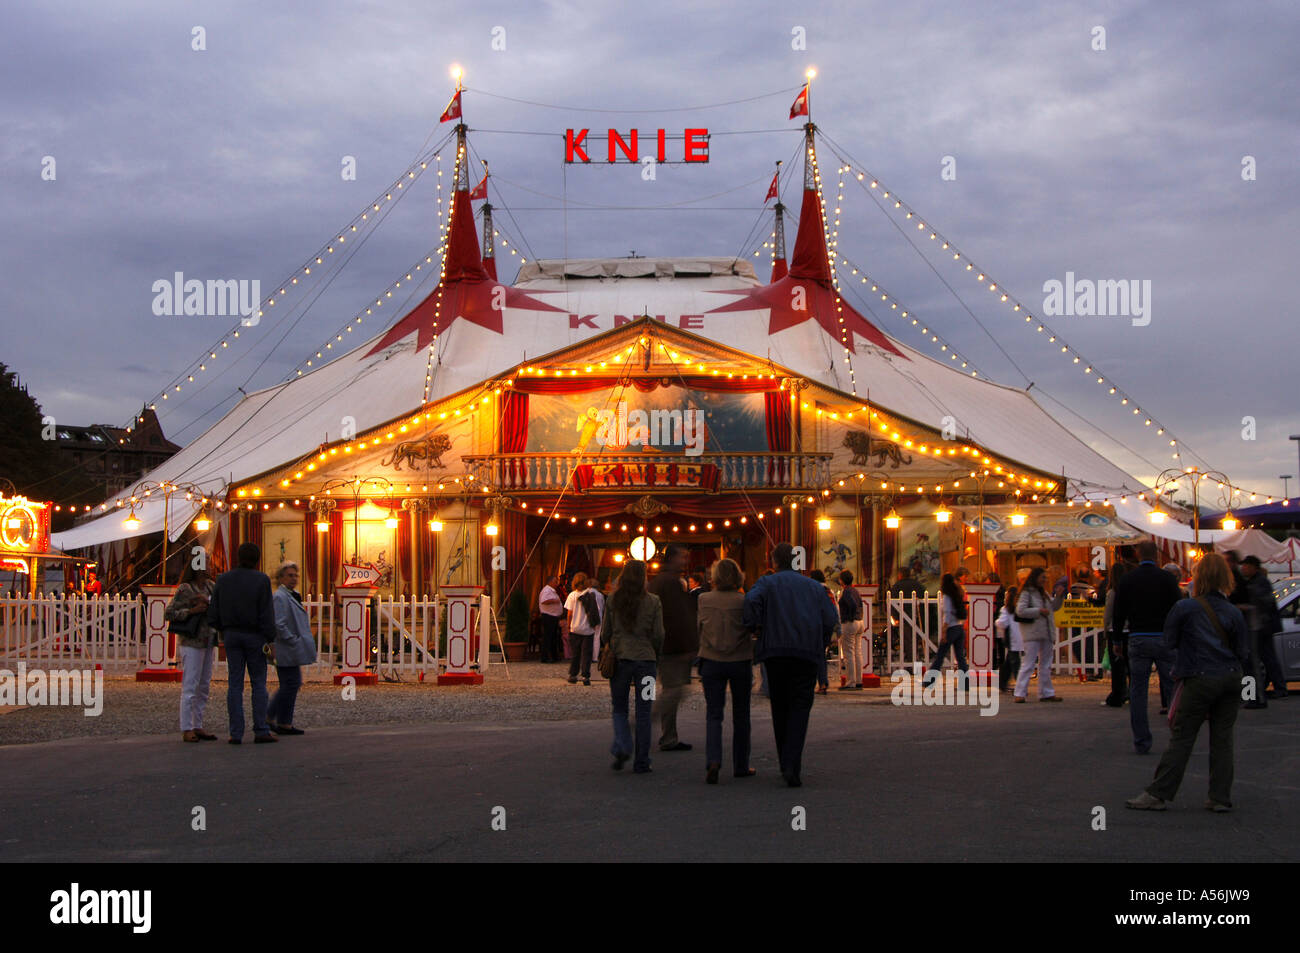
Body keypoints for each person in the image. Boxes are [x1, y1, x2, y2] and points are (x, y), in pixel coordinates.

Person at [1126, 553, 1249, 812]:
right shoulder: (1233, 611)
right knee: (1223, 739)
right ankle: (1219, 797)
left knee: (1183, 737)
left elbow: (1169, 642)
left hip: (1199, 676)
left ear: (1198, 576)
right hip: (1230, 676)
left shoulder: (1186, 608)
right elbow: (1243, 650)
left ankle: (1159, 792)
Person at [743, 542, 839, 787]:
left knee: (780, 707)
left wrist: (755, 626)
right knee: (800, 707)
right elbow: (830, 617)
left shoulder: (767, 583)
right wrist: (822, 640)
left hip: (776, 652)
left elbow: (750, 602)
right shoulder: (814, 587)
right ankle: (792, 762)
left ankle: (784, 760)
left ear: (774, 562)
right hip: (806, 652)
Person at [1113, 540, 1182, 752]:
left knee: (1138, 690)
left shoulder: (1127, 580)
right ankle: (1178, 737)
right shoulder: (1168, 579)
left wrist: (1117, 640)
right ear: (1157, 556)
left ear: (1137, 554)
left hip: (1138, 636)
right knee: (1171, 688)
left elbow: (1119, 612)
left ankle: (1142, 740)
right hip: (1163, 637)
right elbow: (1179, 609)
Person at [207, 543, 278, 744]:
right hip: (255, 635)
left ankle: (235, 732)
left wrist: (223, 628)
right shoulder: (261, 580)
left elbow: (214, 610)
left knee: (235, 683)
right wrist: (270, 638)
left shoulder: (223, 579)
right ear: (257, 559)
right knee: (258, 683)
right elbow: (267, 612)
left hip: (231, 634)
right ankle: (261, 729)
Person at [603, 560, 665, 773]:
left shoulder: (612, 600)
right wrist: (656, 653)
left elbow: (605, 633)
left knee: (619, 707)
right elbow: (659, 634)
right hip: (646, 662)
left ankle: (623, 744)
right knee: (644, 711)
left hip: (620, 660)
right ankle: (642, 760)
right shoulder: (654, 601)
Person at [697, 558, 754, 783]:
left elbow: (698, 627)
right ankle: (741, 764)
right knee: (741, 714)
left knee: (713, 714)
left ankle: (713, 760)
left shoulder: (703, 599)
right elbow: (752, 626)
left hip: (711, 659)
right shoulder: (744, 600)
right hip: (739, 660)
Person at [647, 543, 697, 752]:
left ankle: (669, 736)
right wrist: (688, 643)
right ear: (672, 558)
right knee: (674, 691)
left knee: (672, 689)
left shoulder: (665, 582)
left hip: (670, 645)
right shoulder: (668, 583)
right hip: (672, 646)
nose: (685, 562)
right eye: (682, 557)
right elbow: (677, 617)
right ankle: (644, 722)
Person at [166, 562, 218, 742]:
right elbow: (170, 613)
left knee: (203, 684)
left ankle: (198, 723)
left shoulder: (212, 586)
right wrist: (192, 610)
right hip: (191, 640)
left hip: (208, 639)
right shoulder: (185, 589)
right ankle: (187, 726)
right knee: (190, 684)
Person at [267, 562, 317, 735]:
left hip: (290, 647)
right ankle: (276, 718)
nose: (293, 579)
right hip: (286, 647)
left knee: (291, 683)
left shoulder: (291, 595)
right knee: (291, 683)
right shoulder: (280, 597)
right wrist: (291, 639)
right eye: (289, 575)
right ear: (280, 578)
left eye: (295, 575)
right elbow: (279, 623)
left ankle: (278, 718)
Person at [1236, 555, 1287, 702]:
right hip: (1259, 626)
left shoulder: (1259, 582)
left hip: (1261, 626)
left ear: (1253, 567)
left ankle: (1260, 693)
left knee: (1262, 659)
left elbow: (1264, 603)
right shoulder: (1253, 581)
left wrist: (1246, 606)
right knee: (1263, 659)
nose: (1243, 568)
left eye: (1246, 566)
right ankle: (1269, 689)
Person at [1013, 567, 1066, 702]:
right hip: (1032, 632)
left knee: (1046, 664)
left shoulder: (1044, 593)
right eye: (1043, 577)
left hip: (1046, 632)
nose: (1045, 580)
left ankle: (1046, 692)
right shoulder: (1027, 593)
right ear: (1035, 578)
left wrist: (1059, 597)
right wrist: (1038, 611)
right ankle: (1020, 692)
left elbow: (1053, 608)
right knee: (1029, 663)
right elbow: (1020, 610)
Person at [927, 572, 970, 683]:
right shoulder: (956, 594)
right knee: (960, 657)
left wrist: (944, 631)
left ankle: (929, 680)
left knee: (940, 656)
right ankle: (965, 683)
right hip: (959, 627)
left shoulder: (946, 597)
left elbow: (947, 613)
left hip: (951, 628)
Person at [1101, 560, 1134, 707]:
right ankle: (1133, 693)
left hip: (1116, 630)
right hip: (1130, 630)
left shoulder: (1113, 592)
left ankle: (1117, 694)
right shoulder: (1130, 590)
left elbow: (1108, 614)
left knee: (1117, 666)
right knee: (1130, 665)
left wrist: (1106, 629)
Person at [563, 572, 604, 686]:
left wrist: (569, 625)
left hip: (575, 628)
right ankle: (586, 676)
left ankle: (573, 675)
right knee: (586, 653)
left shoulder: (572, 596)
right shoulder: (591, 594)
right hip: (588, 629)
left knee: (575, 653)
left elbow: (569, 613)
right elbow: (595, 610)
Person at [836, 570, 865, 691]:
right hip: (859, 622)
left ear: (842, 580)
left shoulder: (847, 591)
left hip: (850, 622)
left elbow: (852, 605)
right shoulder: (855, 590)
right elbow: (859, 605)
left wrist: (851, 615)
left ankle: (851, 681)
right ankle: (859, 680)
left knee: (848, 653)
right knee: (857, 652)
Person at [809, 569, 836, 694]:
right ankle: (822, 682)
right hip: (828, 626)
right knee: (821, 654)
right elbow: (835, 609)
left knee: (816, 654)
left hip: (817, 625)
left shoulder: (814, 590)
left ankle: (822, 683)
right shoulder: (829, 591)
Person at [995, 586, 1022, 693]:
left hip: (1011, 637)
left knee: (1011, 661)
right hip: (1018, 637)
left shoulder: (1006, 609)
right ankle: (1018, 685)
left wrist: (997, 623)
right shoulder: (1019, 608)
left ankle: (1003, 682)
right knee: (1014, 661)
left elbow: (1002, 622)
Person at [538, 575, 564, 663]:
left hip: (553, 616)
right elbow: (544, 601)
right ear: (550, 582)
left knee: (553, 637)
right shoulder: (547, 590)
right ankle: (545, 657)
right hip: (548, 616)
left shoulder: (552, 591)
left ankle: (554, 656)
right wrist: (554, 601)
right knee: (548, 637)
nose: (557, 583)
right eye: (555, 581)